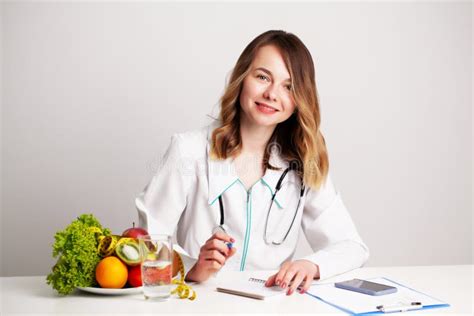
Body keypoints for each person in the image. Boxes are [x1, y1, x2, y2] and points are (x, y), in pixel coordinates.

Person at [135, 30, 369, 296]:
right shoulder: (188, 151)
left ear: (299, 100)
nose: (271, 94)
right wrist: (192, 268)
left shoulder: (303, 163)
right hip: (199, 305)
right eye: (262, 77)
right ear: (242, 78)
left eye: (288, 86)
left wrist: (311, 265)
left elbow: (352, 246)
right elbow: (145, 243)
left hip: (270, 307)